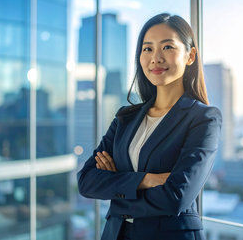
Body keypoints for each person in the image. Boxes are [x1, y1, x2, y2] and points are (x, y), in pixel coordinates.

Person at [77, 13, 222, 240]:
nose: (155, 58)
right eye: (147, 49)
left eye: (167, 47)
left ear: (190, 56)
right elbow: (86, 181)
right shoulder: (126, 118)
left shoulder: (203, 118)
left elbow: (176, 196)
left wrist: (118, 189)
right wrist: (147, 180)